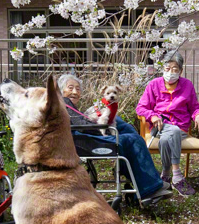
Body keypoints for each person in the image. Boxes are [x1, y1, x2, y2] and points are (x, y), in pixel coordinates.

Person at [58, 73, 172, 207]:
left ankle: (141, 173)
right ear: (61, 91)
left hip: (87, 134)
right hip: (86, 140)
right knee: (132, 140)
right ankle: (149, 186)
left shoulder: (68, 105)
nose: (75, 92)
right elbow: (81, 125)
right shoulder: (64, 103)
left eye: (78, 89)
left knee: (123, 125)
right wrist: (103, 128)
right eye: (70, 88)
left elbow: (81, 121)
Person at [135, 51, 199, 196]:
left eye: (175, 69)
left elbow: (194, 107)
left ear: (181, 70)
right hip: (159, 126)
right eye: (167, 69)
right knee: (170, 132)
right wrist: (153, 116)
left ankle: (166, 175)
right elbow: (140, 108)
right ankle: (178, 176)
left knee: (169, 136)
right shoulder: (154, 84)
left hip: (181, 128)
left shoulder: (187, 85)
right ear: (162, 69)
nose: (170, 72)